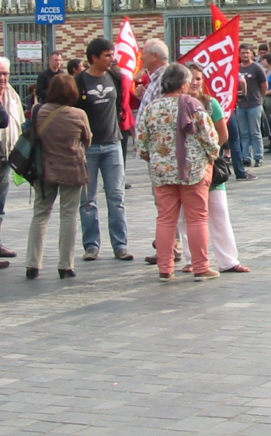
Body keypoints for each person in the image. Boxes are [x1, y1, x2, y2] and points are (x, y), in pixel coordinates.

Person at [136, 63, 220, 281]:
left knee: (165, 219)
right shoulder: (193, 104)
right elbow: (210, 138)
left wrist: (154, 158)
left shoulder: (151, 108)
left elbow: (141, 143)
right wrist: (212, 157)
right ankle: (201, 267)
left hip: (162, 172)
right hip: (192, 170)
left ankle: (165, 268)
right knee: (197, 218)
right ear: (183, 84)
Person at [177, 63, 250, 274]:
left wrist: (211, 152)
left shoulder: (211, 104)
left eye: (198, 78)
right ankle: (193, 259)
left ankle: (228, 260)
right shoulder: (176, 104)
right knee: (186, 217)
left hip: (210, 167)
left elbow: (223, 133)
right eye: (191, 78)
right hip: (184, 169)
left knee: (219, 212)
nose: (195, 82)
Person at [24, 73, 91, 280]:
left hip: (44, 170)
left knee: (40, 215)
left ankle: (32, 264)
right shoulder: (78, 114)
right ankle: (65, 265)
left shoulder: (38, 111)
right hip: (72, 169)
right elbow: (87, 140)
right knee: (68, 215)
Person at [75, 38, 133, 261]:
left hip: (112, 143)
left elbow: (121, 104)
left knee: (116, 196)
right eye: (107, 55)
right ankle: (91, 245)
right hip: (88, 147)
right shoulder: (79, 81)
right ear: (94, 58)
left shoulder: (115, 77)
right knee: (88, 200)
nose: (112, 59)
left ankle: (120, 245)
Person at [0, 56, 24, 261]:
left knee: (0, 204)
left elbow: (19, 122)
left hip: (5, 156)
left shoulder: (12, 95)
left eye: (5, 73)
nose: (2, 77)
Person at [235, 44, 268, 168]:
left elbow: (264, 86)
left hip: (254, 104)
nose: (245, 55)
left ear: (251, 54)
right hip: (240, 105)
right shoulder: (236, 68)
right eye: (243, 52)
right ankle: (246, 157)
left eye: (247, 53)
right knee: (244, 133)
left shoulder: (256, 68)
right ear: (239, 54)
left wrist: (260, 98)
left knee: (255, 132)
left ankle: (258, 156)